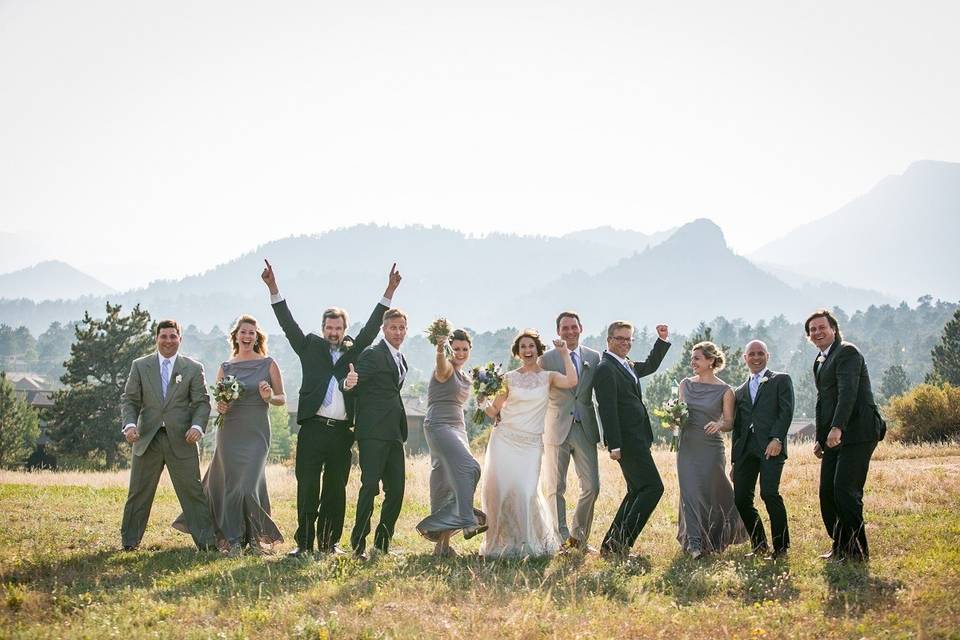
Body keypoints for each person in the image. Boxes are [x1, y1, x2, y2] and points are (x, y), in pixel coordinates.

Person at [262, 260, 401, 557]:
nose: (334, 332)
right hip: (312, 428)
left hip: (341, 433)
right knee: (308, 489)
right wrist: (273, 288)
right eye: (329, 327)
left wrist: (389, 290)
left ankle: (329, 544)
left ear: (344, 329)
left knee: (336, 491)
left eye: (338, 328)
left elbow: (374, 325)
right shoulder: (309, 346)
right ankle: (304, 545)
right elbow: (288, 323)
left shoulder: (354, 350)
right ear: (323, 328)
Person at [173, 314, 285, 555]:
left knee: (248, 485)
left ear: (257, 337)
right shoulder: (226, 367)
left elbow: (281, 398)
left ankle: (255, 538)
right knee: (233, 486)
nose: (247, 336)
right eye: (243, 332)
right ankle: (233, 540)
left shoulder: (268, 364)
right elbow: (218, 402)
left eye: (251, 332)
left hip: (256, 432)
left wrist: (269, 397)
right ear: (236, 336)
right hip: (229, 431)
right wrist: (221, 406)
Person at [478, 329, 577, 559]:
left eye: (531, 346)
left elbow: (572, 381)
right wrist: (482, 401)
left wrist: (564, 354)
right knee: (499, 491)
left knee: (525, 491)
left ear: (538, 350)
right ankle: (499, 543)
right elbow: (495, 411)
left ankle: (528, 542)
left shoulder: (549, 376)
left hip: (531, 444)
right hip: (504, 439)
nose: (527, 350)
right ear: (517, 352)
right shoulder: (508, 378)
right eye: (523, 347)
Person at [120, 319, 216, 551]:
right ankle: (130, 542)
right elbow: (130, 400)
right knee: (139, 492)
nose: (168, 341)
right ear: (156, 338)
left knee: (192, 492)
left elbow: (202, 403)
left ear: (180, 339)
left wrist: (197, 427)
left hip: (182, 439)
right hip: (147, 439)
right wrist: (130, 425)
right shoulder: (140, 366)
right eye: (163, 336)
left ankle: (207, 543)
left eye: (173, 336)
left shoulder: (193, 368)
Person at [806, 309, 886, 561]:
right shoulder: (820, 360)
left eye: (822, 327)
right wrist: (821, 438)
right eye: (812, 330)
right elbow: (823, 401)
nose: (817, 332)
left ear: (834, 330)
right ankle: (840, 546)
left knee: (845, 490)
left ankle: (857, 552)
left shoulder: (847, 352)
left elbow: (848, 392)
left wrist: (838, 427)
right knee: (827, 492)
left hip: (859, 431)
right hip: (833, 435)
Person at [593, 321, 670, 559]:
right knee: (653, 488)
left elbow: (650, 365)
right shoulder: (606, 368)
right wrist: (614, 444)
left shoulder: (625, 365)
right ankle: (621, 544)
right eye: (620, 339)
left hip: (638, 436)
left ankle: (611, 546)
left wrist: (662, 341)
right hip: (627, 441)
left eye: (628, 339)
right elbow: (608, 408)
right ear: (609, 340)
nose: (625, 343)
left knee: (637, 489)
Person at [416, 330, 487, 556]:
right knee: (471, 468)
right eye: (456, 348)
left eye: (465, 349)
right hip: (439, 425)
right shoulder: (445, 369)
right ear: (449, 350)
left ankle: (442, 547)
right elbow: (441, 365)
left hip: (459, 427)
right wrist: (439, 349)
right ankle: (467, 520)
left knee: (446, 485)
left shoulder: (465, 376)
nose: (460, 353)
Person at [349, 307, 411, 559]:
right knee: (370, 487)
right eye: (393, 327)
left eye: (401, 328)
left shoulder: (401, 358)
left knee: (396, 489)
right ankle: (358, 545)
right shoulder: (373, 354)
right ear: (384, 329)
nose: (397, 332)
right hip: (373, 432)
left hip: (395, 431)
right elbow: (355, 384)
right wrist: (348, 383)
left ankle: (382, 545)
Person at [676, 341, 747, 557]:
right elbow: (679, 413)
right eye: (692, 358)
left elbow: (729, 422)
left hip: (711, 449)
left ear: (710, 361)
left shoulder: (726, 391)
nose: (692, 362)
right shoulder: (685, 384)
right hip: (687, 446)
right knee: (690, 493)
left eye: (697, 358)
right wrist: (673, 420)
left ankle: (717, 536)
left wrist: (719, 424)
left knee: (714, 492)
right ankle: (694, 543)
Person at [540, 311, 602, 552]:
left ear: (581, 328)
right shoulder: (546, 359)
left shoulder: (594, 357)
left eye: (573, 327)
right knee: (556, 488)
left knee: (592, 486)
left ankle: (579, 538)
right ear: (558, 332)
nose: (570, 332)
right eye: (565, 328)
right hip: (556, 427)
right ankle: (561, 540)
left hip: (585, 427)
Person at [730, 340, 794, 559]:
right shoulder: (738, 391)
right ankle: (759, 545)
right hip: (745, 451)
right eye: (752, 354)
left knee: (769, 493)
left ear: (767, 355)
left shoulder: (781, 380)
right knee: (741, 500)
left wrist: (777, 438)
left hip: (770, 447)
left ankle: (781, 548)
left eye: (760, 353)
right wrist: (734, 461)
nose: (756, 357)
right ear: (745, 358)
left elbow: (786, 412)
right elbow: (737, 428)